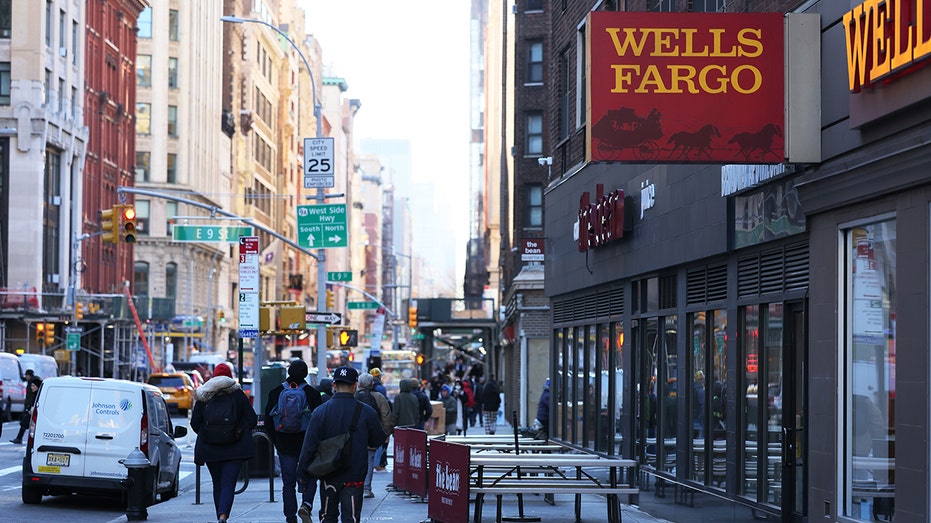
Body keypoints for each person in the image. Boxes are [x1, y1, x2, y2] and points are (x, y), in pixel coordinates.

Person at [297, 367, 386, 523]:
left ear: (334, 385)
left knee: (328, 516)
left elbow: (309, 445)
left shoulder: (320, 412)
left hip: (328, 472)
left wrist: (303, 474)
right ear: (355, 386)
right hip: (355, 473)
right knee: (351, 517)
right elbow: (377, 440)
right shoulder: (367, 412)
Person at [190, 362, 257, 523]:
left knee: (217, 484)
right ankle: (223, 515)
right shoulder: (238, 394)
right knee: (228, 484)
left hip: (210, 448)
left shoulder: (204, 395)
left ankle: (219, 515)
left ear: (214, 376)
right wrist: (239, 429)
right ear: (229, 377)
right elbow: (252, 419)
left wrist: (208, 433)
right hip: (235, 448)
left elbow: (194, 423)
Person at [264, 360, 322, 523]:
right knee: (310, 477)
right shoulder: (312, 394)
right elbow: (318, 422)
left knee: (288, 483)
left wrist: (276, 440)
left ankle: (290, 517)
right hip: (307, 444)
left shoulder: (275, 392)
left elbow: (269, 421)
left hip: (284, 443)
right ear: (305, 374)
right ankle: (306, 505)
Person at [354, 373, 393, 498]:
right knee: (370, 461)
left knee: (354, 461)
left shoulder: (353, 396)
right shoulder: (378, 397)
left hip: (354, 435)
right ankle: (366, 488)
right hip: (370, 435)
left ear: (359, 383)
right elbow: (386, 416)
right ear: (372, 384)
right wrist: (386, 433)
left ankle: (354, 486)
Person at [368, 368, 389, 470]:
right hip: (378, 420)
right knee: (379, 444)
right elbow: (384, 410)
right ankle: (377, 464)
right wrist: (387, 430)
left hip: (367, 420)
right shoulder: (380, 389)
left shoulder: (362, 391)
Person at [10, 374, 41, 444]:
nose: (31, 387)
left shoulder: (37, 394)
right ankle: (19, 438)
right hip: (31, 410)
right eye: (31, 386)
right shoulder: (35, 392)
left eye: (33, 386)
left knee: (27, 424)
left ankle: (20, 438)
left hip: (33, 411)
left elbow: (31, 400)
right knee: (25, 424)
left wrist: (30, 407)